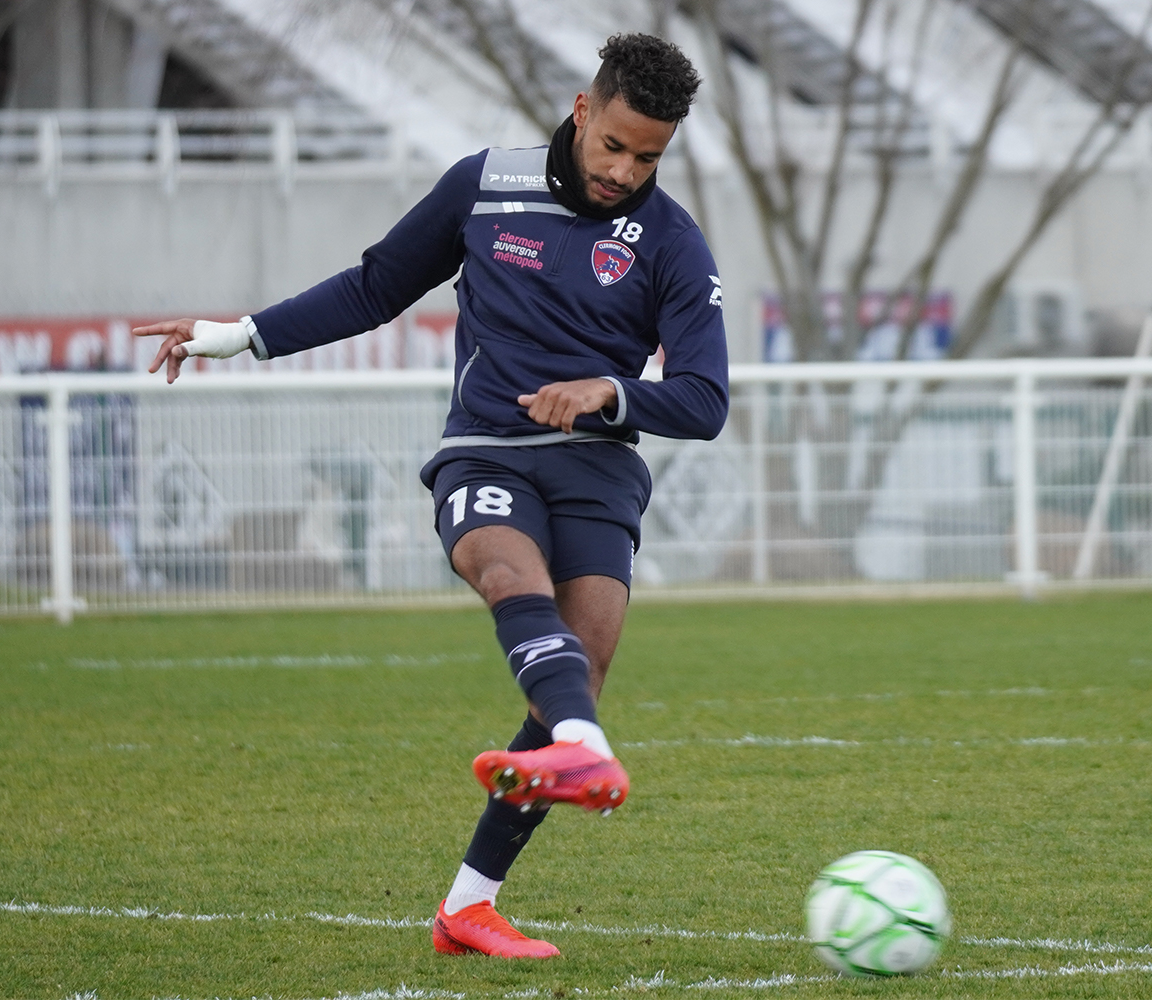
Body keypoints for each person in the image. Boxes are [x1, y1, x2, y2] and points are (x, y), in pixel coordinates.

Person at [134, 34, 727, 960]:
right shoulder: (483, 185)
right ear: (583, 108)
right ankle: (582, 743)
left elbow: (704, 399)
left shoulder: (674, 244)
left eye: (648, 156)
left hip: (597, 468)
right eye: (614, 144)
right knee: (504, 571)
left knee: (582, 657)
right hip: (486, 450)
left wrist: (611, 395)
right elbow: (375, 287)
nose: (624, 170)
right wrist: (240, 334)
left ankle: (468, 906)